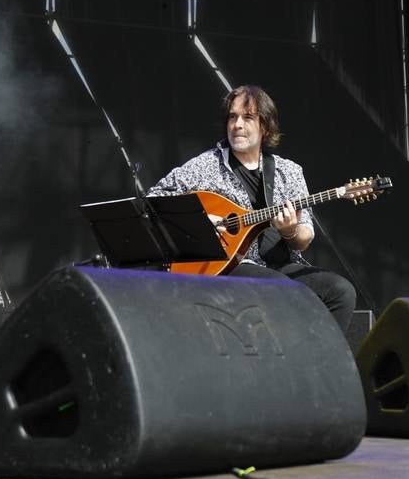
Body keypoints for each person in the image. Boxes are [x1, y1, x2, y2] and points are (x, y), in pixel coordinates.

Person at [147, 85, 357, 334]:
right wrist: (202, 221)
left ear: (265, 126)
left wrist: (289, 232)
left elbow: (303, 239)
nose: (237, 125)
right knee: (281, 289)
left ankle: (322, 366)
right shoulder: (205, 165)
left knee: (341, 291)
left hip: (280, 265)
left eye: (248, 118)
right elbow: (154, 200)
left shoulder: (289, 172)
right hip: (230, 265)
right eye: (232, 117)